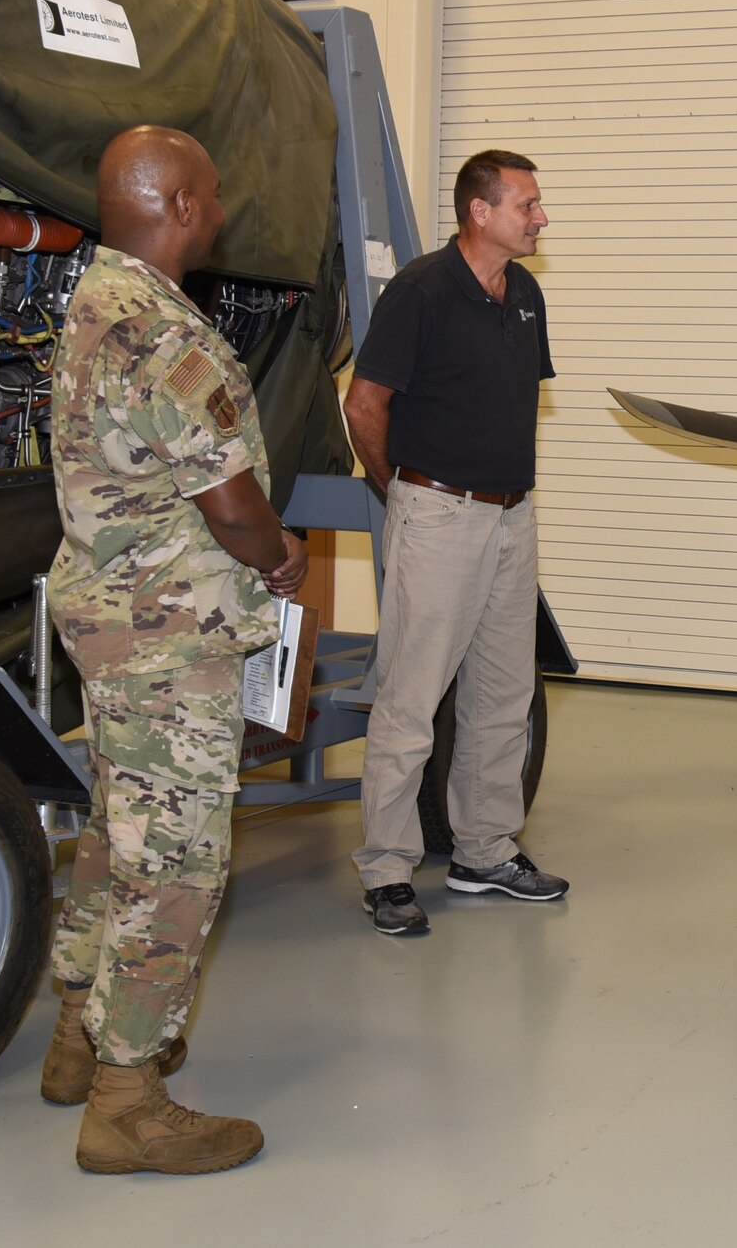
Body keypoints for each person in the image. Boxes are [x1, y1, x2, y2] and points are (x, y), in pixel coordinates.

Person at [40, 125, 307, 1173]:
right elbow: (232, 506)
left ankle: (77, 1034)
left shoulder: (94, 302)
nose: (223, 212)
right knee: (178, 861)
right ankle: (124, 1099)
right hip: (168, 630)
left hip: (109, 618)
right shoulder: (162, 333)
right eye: (213, 194)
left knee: (116, 833)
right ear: (182, 203)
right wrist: (280, 560)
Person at [342, 149, 567, 934]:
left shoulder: (526, 293)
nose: (541, 218)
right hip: (439, 514)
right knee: (411, 697)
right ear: (481, 212)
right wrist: (401, 490)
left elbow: (508, 402)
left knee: (504, 695)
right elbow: (363, 404)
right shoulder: (421, 291)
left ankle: (483, 851)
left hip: (513, 517)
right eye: (527, 205)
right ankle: (387, 868)